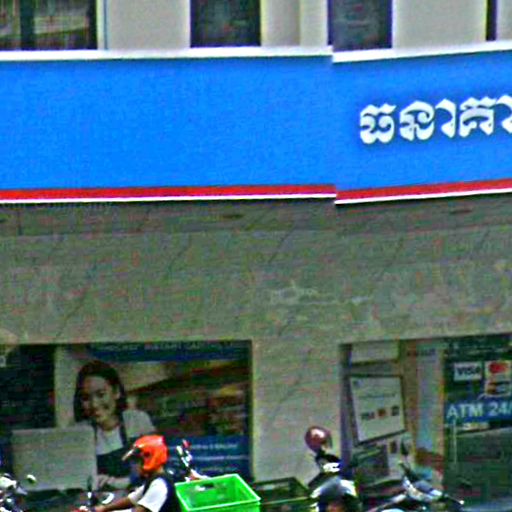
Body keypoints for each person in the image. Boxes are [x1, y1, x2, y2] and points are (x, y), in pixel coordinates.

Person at [74, 360, 156, 490]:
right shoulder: (80, 433)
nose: (94, 404)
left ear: (116, 392)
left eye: (101, 395)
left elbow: (153, 470)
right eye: (86, 398)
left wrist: (116, 482)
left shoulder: (137, 421)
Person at [94, 435, 180, 512]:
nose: (134, 466)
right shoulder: (153, 480)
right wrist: (104, 508)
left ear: (149, 459)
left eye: (137, 461)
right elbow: (132, 499)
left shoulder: (159, 485)